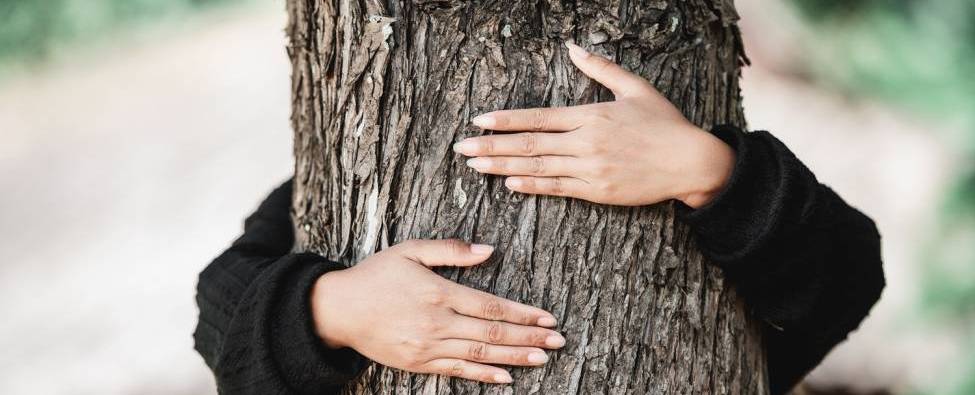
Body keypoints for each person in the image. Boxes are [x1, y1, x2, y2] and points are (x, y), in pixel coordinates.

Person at [194, 42, 884, 394]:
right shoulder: (348, 170)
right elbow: (219, 312)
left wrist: (707, 170)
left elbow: (848, 279)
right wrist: (329, 307)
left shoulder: (674, 113)